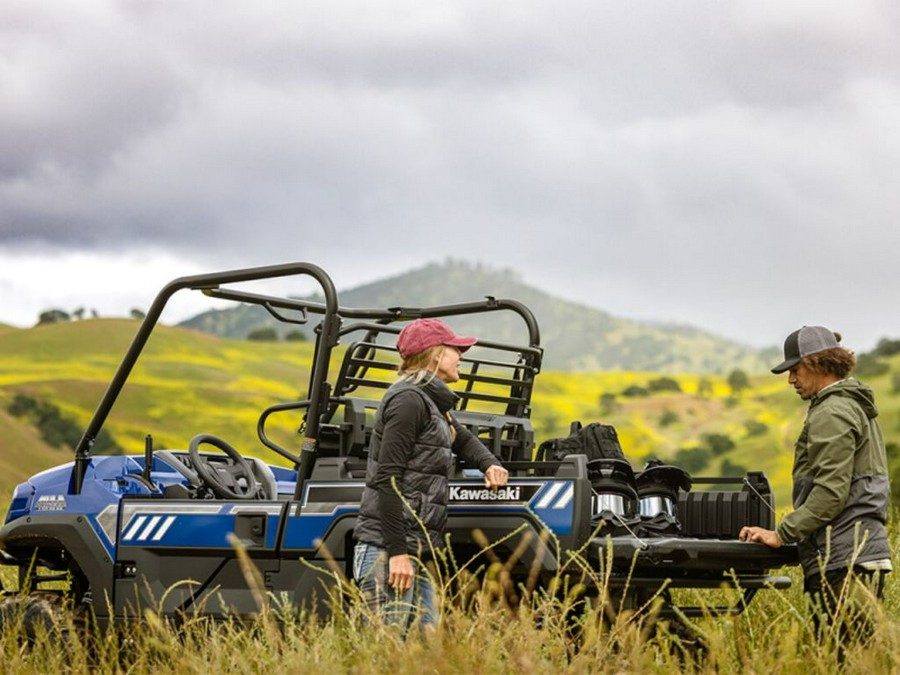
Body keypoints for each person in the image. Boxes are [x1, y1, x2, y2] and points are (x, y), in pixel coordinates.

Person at [352, 318, 509, 632]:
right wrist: (397, 553)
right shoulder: (409, 400)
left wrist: (489, 463)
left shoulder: (433, 403)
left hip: (416, 549)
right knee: (387, 654)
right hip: (389, 551)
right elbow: (388, 479)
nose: (461, 356)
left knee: (425, 644)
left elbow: (460, 437)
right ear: (436, 355)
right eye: (455, 350)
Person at [739, 325, 891, 643]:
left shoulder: (832, 411)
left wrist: (781, 534)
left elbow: (831, 492)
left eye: (795, 369)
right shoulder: (852, 405)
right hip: (858, 555)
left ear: (817, 362)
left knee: (846, 661)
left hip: (844, 561)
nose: (791, 380)